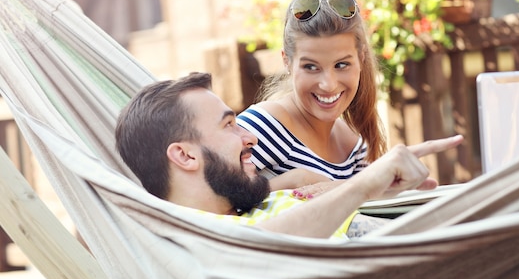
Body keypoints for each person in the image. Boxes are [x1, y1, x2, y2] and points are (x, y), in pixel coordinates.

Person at [237, 0, 519, 196]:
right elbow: (208, 212)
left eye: (342, 65)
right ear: (286, 61)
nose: (328, 84)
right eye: (311, 67)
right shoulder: (261, 128)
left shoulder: (352, 142)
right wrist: (292, 182)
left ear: (361, 59)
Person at [114, 72, 464, 239]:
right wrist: (364, 186)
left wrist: (376, 186)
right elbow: (263, 248)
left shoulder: (248, 204)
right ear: (185, 157)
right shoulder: (188, 240)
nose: (249, 136)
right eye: (230, 126)